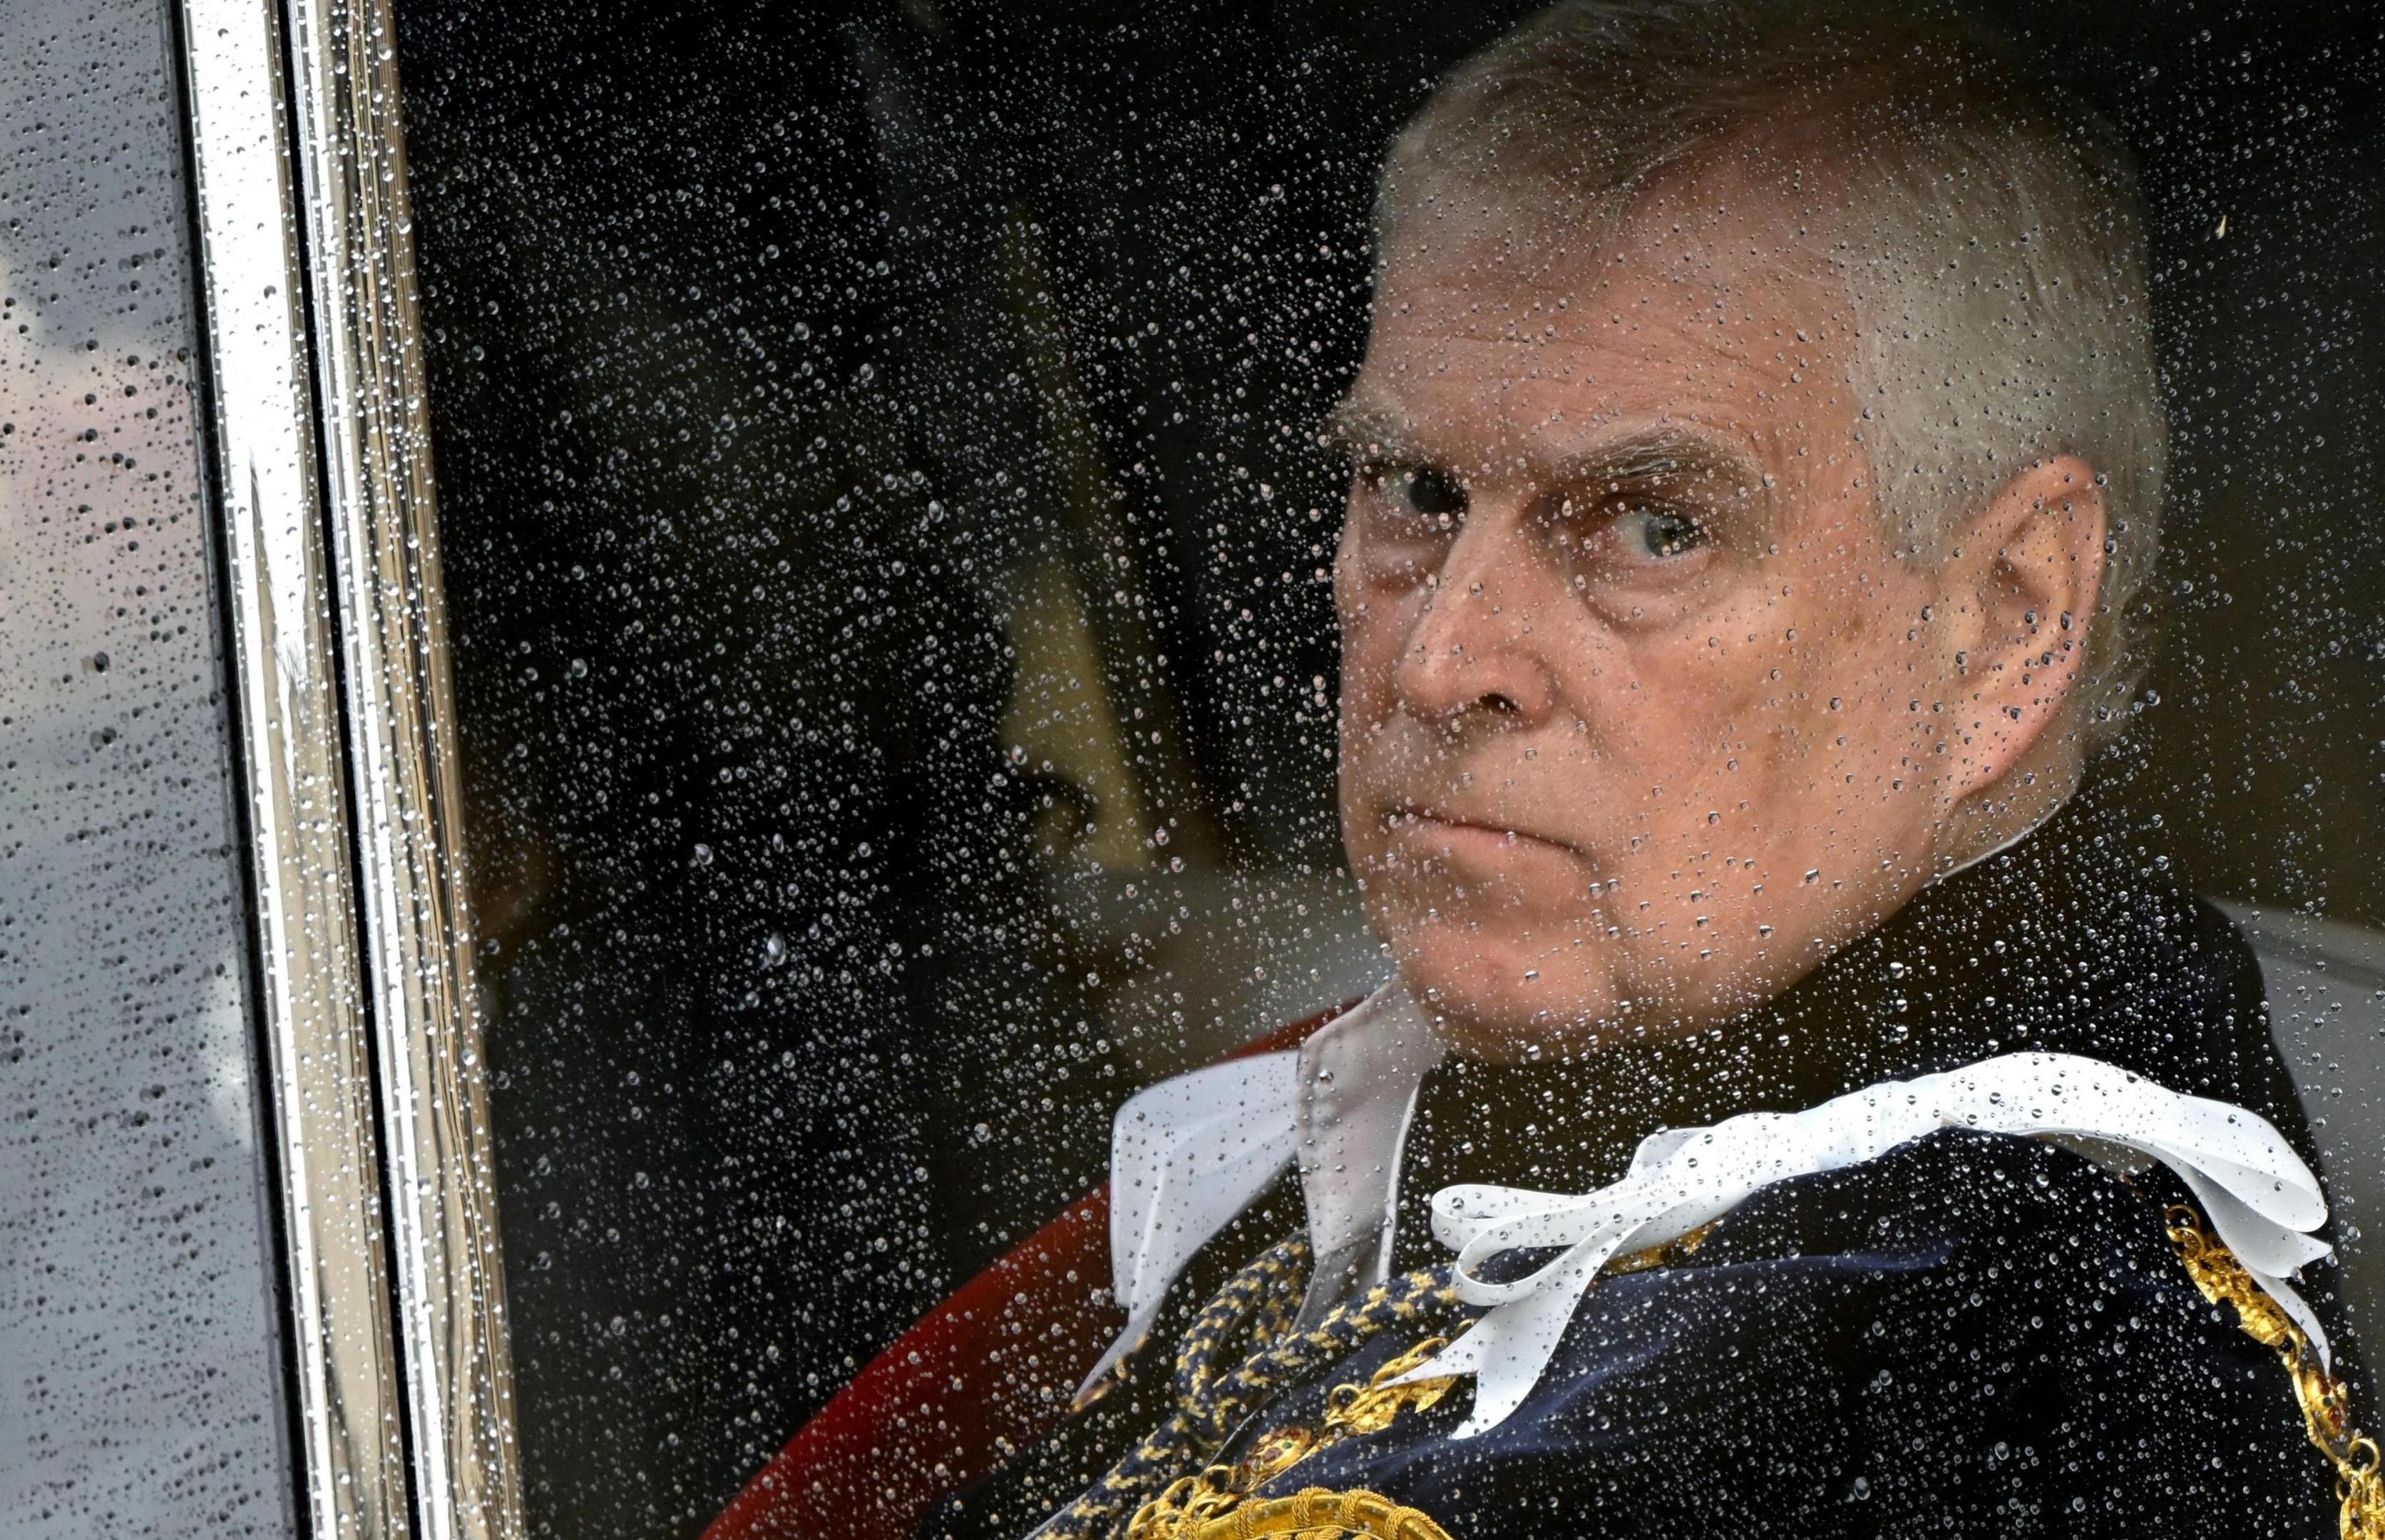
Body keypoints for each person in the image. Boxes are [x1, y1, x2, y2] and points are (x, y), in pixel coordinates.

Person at [699, 3, 2376, 1538]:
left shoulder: (2004, 1364)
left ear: (2007, 622)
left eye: (1654, 527)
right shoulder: (1544, 1109)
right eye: (1417, 492)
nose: (1440, 661)